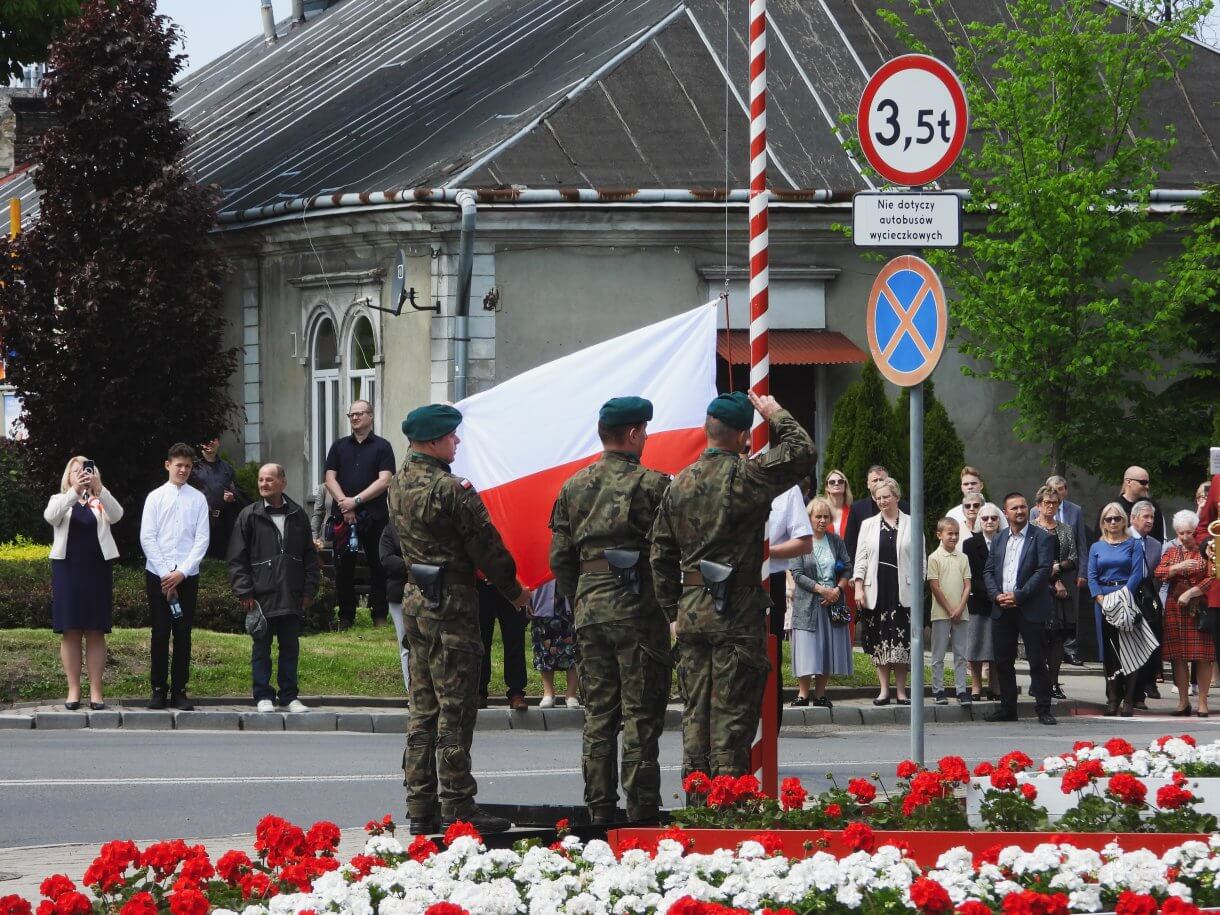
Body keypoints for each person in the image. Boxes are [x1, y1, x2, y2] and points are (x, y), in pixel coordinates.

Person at [650, 391, 815, 780]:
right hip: (736, 612)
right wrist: (775, 413)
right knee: (732, 721)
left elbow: (659, 554)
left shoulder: (679, 483)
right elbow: (802, 451)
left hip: (691, 614)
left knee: (696, 716)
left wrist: (673, 610)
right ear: (743, 436)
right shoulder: (748, 475)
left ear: (707, 430)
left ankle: (696, 807)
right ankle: (724, 816)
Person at [388, 403, 530, 835]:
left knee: (422, 707)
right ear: (433, 441)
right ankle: (458, 803)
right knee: (455, 706)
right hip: (452, 602)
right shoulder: (451, 489)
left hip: (416, 599)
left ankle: (420, 804)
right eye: (452, 436)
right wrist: (516, 592)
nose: (458, 442)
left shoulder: (396, 485)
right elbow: (486, 547)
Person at [550, 395, 671, 824]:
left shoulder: (574, 485)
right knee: (640, 712)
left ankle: (599, 807)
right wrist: (667, 605)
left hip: (589, 610)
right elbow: (668, 552)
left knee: (598, 713)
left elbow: (560, 556)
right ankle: (640, 808)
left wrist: (581, 594)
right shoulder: (654, 484)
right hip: (638, 610)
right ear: (635, 433)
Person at [227, 463, 320, 713]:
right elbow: (237, 558)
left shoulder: (298, 514)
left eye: (269, 480)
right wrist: (244, 591)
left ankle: (289, 697)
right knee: (261, 649)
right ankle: (262, 695)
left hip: (291, 595)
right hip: (261, 597)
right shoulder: (249, 515)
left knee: (290, 648)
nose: (263, 484)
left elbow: (310, 557)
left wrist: (310, 590)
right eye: (260, 480)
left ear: (282, 482)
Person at [44, 456, 124, 711]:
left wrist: (99, 489)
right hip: (68, 570)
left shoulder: (100, 499)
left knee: (95, 630)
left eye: (86, 471)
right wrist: (75, 492)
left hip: (97, 569)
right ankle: (73, 690)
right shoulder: (60, 500)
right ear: (68, 476)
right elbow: (51, 517)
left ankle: (96, 691)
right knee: (70, 630)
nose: (81, 474)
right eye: (75, 471)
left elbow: (118, 515)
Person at [140, 443, 210, 711]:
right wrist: (165, 572)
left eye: (188, 466)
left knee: (183, 632)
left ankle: (180, 690)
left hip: (187, 575)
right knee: (160, 632)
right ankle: (158, 689)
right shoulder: (155, 497)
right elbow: (147, 536)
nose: (183, 470)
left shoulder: (198, 499)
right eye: (178, 465)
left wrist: (182, 571)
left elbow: (202, 540)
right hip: (158, 573)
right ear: (168, 465)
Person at [983, 491, 1057, 725]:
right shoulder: (999, 538)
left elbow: (1043, 570)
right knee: (1003, 661)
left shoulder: (1042, 537)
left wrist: (1019, 595)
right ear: (1006, 513)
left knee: (1037, 660)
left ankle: (1043, 709)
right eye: (1014, 508)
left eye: (1023, 507)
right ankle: (1008, 708)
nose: (1019, 511)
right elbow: (988, 571)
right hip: (1002, 608)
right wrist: (996, 596)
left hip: (1029, 606)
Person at [324, 399, 396, 629]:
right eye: (351, 414)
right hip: (343, 517)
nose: (355, 418)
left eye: (359, 413)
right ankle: (346, 616)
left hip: (374, 516)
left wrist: (355, 501)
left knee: (379, 567)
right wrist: (344, 505)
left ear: (371, 416)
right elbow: (329, 478)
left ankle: (380, 616)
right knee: (344, 568)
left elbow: (385, 480)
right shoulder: (338, 446)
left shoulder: (382, 447)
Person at [1088, 502, 1156, 717]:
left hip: (1127, 598)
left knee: (1130, 648)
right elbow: (1091, 575)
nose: (1113, 522)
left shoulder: (1133, 543)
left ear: (1124, 520)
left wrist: (1123, 595)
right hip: (1103, 601)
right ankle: (1112, 697)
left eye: (1117, 518)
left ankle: (1129, 699)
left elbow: (1137, 574)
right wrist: (1100, 598)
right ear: (1103, 523)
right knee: (1110, 652)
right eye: (1109, 519)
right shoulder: (1096, 547)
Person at [851, 477, 915, 706]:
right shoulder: (868, 525)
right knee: (880, 641)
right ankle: (883, 690)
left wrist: (918, 587)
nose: (882, 501)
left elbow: (921, 560)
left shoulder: (911, 523)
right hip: (876, 589)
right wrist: (858, 587)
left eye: (886, 497)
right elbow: (860, 559)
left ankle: (901, 691)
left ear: (896, 497)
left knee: (901, 643)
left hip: (902, 590)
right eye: (878, 498)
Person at [788, 497, 852, 708]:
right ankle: (803, 694)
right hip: (808, 604)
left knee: (826, 650)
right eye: (818, 516)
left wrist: (837, 589)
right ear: (809, 518)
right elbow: (796, 574)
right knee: (807, 650)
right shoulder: (800, 541)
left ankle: (821, 694)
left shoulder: (836, 541)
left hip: (832, 603)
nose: (822, 520)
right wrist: (821, 590)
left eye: (826, 516)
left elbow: (847, 568)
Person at [1155, 510, 1212, 717]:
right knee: (1177, 657)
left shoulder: (1207, 550)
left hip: (1199, 606)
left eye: (1189, 532)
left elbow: (1213, 578)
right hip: (1175, 607)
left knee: (1203, 657)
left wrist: (1191, 592)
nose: (1185, 537)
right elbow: (1159, 573)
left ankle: (1203, 703)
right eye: (1181, 533)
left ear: (1196, 531)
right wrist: (1178, 566)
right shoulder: (1171, 552)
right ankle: (1183, 702)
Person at [1032, 485, 1077, 700]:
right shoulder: (1031, 528)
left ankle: (1053, 683)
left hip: (1060, 591)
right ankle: (1036, 681)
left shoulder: (1066, 529)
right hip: (1038, 589)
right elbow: (1028, 561)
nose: (1050, 507)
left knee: (1057, 638)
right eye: (1046, 503)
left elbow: (1074, 558)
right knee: (1038, 637)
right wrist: (1048, 576)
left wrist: (1057, 569)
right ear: (1038, 505)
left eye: (1054, 503)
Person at [1040, 475, 1089, 665]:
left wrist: (1082, 572)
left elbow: (1081, 543)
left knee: (1070, 611)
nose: (1057, 493)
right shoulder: (1037, 512)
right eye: (1053, 489)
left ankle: (1071, 649)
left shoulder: (1075, 511)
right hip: (1045, 573)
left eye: (1061, 489)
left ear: (1065, 491)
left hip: (1069, 569)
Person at [927, 517, 971, 705]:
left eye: (956, 534)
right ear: (939, 535)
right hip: (941, 614)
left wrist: (960, 608)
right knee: (938, 655)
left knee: (961, 654)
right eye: (949, 533)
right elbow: (935, 586)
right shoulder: (934, 558)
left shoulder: (963, 558)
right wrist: (950, 609)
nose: (953, 537)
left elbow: (967, 585)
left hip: (962, 613)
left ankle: (961, 690)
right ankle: (938, 690)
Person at [1129, 499, 1165, 705]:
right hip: (1125, 595)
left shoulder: (1155, 544)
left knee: (1147, 646)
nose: (1150, 520)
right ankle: (1124, 693)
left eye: (1152, 517)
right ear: (1133, 518)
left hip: (1146, 598)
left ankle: (1140, 692)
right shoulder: (1122, 537)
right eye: (1146, 517)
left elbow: (1156, 575)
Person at [963, 501, 1000, 701]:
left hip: (1001, 602)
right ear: (979, 521)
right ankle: (976, 687)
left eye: (993, 518)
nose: (989, 521)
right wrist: (991, 592)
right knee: (975, 647)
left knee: (996, 648)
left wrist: (1000, 594)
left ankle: (995, 687)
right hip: (978, 601)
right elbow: (970, 574)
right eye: (984, 518)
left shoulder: (1005, 540)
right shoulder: (969, 544)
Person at [189, 434, 248, 560]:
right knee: (201, 560)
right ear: (200, 445)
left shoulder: (227, 468)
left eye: (213, 439)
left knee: (222, 560)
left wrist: (234, 496)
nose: (209, 443)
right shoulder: (192, 468)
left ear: (218, 442)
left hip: (223, 523)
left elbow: (239, 491)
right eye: (205, 441)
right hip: (199, 522)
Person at [478, 579, 529, 711]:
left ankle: (516, 691)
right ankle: (479, 691)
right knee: (480, 639)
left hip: (512, 580)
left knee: (515, 637)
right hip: (480, 581)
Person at [529, 580, 579, 709]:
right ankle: (548, 693)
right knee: (543, 646)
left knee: (574, 646)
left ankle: (572, 694)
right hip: (541, 592)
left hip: (569, 593)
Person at [843, 464, 909, 561]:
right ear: (868, 484)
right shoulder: (857, 509)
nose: (878, 483)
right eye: (874, 480)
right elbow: (850, 544)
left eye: (881, 480)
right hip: (869, 568)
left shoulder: (905, 507)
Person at [379, 522, 412, 696]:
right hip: (399, 592)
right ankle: (411, 690)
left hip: (426, 590)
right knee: (405, 643)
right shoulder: (390, 530)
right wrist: (413, 565)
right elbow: (386, 559)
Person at [1100, 466, 1166, 543]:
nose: (1147, 487)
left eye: (1148, 483)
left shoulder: (1153, 507)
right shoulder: (1111, 509)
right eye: (1143, 483)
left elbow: (1160, 538)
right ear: (1128, 482)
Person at [945, 466, 1001, 534]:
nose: (970, 487)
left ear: (981, 486)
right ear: (961, 488)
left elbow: (1006, 537)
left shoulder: (995, 510)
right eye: (966, 484)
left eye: (973, 483)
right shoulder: (952, 514)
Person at [820, 469, 853, 540]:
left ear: (845, 486)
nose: (836, 483)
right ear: (827, 487)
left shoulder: (853, 511)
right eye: (832, 482)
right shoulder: (819, 511)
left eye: (840, 481)